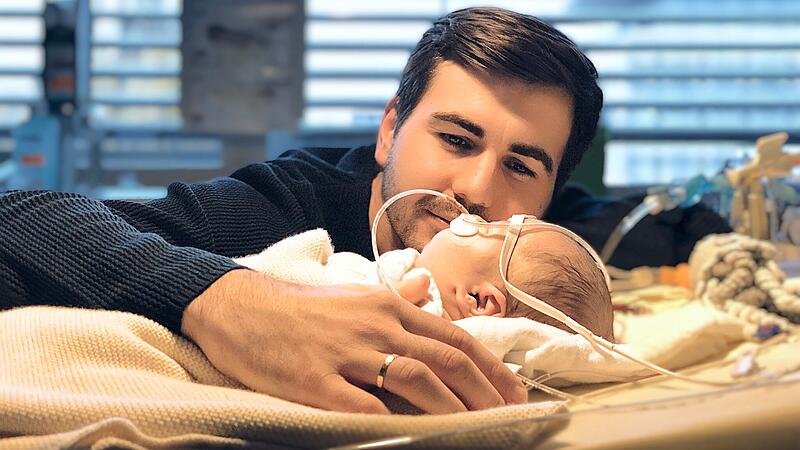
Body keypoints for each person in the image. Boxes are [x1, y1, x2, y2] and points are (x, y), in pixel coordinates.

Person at [0, 7, 603, 414]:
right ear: (390, 131)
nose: (477, 189)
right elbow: (19, 217)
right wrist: (227, 297)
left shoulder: (535, 248)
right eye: (456, 140)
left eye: (522, 167)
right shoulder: (283, 209)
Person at [235, 217, 615, 342]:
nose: (468, 214)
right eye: (456, 141)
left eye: (487, 230)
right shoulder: (268, 200)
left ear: (479, 301)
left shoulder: (417, 300)